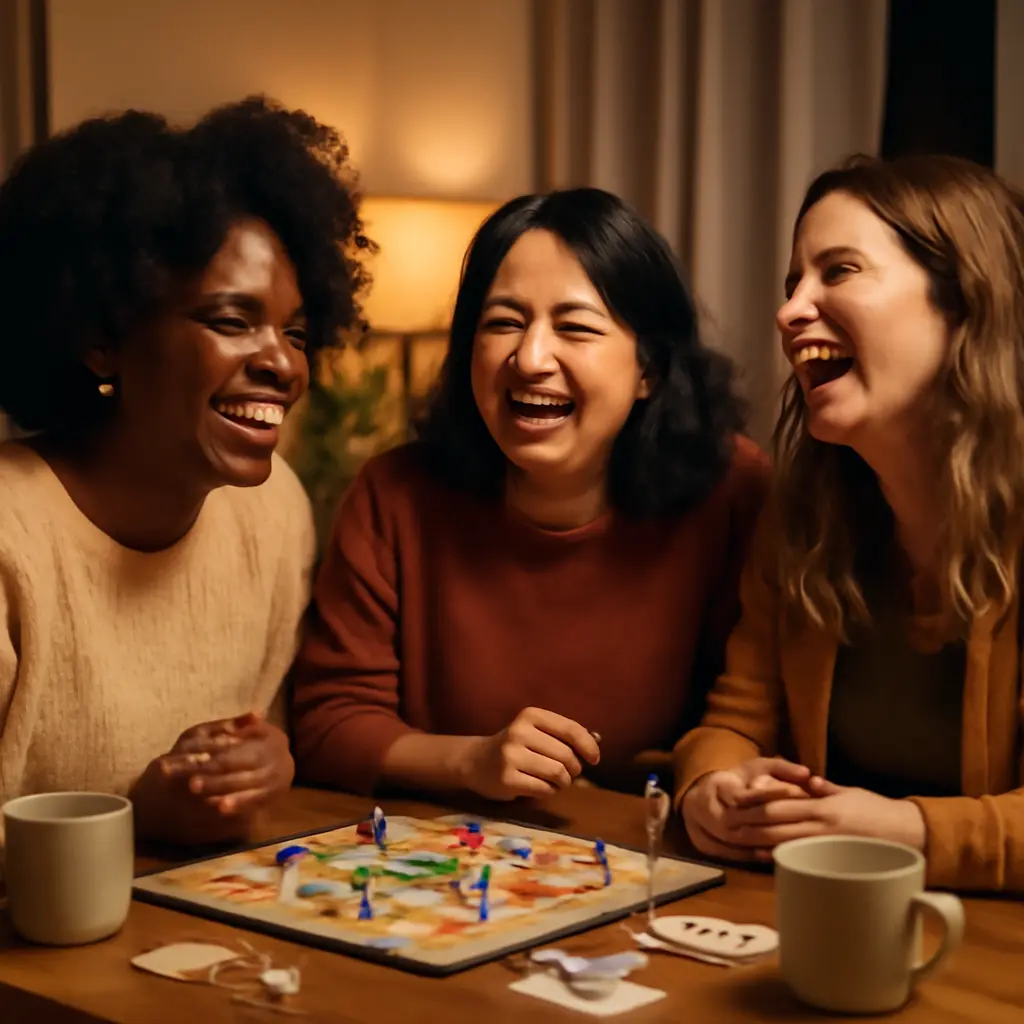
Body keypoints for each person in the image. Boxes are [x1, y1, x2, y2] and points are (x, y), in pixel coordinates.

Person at [290, 187, 770, 801]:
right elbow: (331, 722)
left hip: (660, 851)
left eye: (574, 327)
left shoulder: (732, 490)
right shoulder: (395, 495)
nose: (531, 357)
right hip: (453, 861)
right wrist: (471, 762)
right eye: (504, 323)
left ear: (647, 368)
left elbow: (753, 715)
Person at [0, 96, 369, 845]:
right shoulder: (12, 536)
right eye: (231, 322)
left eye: (295, 332)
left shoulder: (273, 514)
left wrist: (269, 760)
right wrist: (133, 823)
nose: (280, 363)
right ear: (103, 339)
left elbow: (266, 737)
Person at [677, 154, 1024, 891]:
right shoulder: (803, 515)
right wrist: (712, 789)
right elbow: (737, 720)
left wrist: (908, 831)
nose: (790, 310)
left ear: (964, 300)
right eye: (791, 284)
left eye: (838, 272)